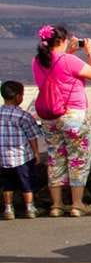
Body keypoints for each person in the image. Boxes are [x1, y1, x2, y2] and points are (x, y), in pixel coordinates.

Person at [31, 25, 91, 217]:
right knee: (77, 158)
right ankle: (77, 204)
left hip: (49, 116)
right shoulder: (69, 60)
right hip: (73, 116)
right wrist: (90, 52)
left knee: (55, 158)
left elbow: (55, 69)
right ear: (62, 41)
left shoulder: (37, 61)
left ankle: (56, 205)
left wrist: (69, 52)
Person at [0, 80, 43, 220]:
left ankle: (8, 209)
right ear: (18, 97)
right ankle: (30, 208)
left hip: (2, 158)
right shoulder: (23, 116)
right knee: (27, 184)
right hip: (22, 157)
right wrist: (36, 153)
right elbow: (32, 136)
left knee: (7, 185)